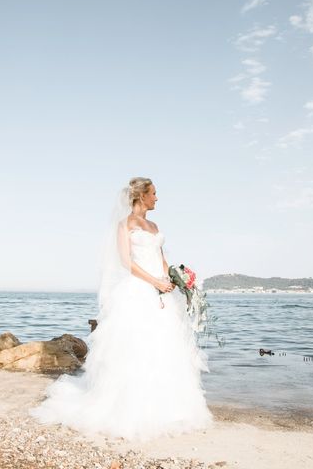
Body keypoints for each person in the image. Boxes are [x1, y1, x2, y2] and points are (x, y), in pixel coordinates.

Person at [30, 177, 213, 441]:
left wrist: (172, 279)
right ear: (142, 196)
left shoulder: (154, 225)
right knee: (136, 349)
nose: (157, 198)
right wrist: (154, 282)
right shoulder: (125, 224)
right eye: (154, 193)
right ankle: (130, 410)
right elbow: (127, 262)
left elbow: (162, 259)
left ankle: (168, 408)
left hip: (161, 290)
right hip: (137, 291)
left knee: (164, 348)